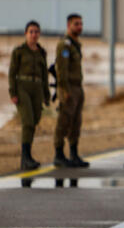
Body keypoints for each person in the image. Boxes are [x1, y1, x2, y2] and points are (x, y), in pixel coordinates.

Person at [8, 20, 51, 170]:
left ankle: (29, 156)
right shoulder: (19, 51)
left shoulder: (41, 52)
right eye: (31, 32)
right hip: (22, 87)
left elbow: (44, 75)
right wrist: (13, 92)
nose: (34, 35)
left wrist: (46, 95)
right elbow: (12, 73)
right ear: (26, 34)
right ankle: (24, 158)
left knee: (35, 120)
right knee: (27, 121)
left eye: (36, 32)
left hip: (37, 88)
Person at [53, 13, 89, 168]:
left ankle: (74, 154)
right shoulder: (65, 45)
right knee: (64, 121)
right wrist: (64, 90)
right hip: (68, 88)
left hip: (78, 88)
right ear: (69, 26)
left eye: (81, 24)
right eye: (76, 24)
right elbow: (61, 69)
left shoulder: (76, 44)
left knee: (76, 122)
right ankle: (59, 154)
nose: (79, 27)